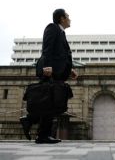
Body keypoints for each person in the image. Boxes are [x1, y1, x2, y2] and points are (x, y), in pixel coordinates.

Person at [20, 8, 78, 144]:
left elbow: (61, 55)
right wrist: (47, 66)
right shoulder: (52, 28)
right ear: (62, 18)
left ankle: (34, 125)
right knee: (49, 100)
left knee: (50, 102)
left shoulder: (61, 33)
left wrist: (70, 69)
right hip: (49, 70)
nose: (70, 19)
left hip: (56, 71)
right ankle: (38, 130)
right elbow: (47, 47)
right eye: (68, 16)